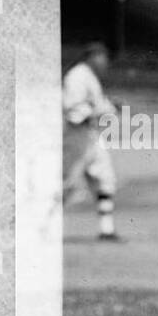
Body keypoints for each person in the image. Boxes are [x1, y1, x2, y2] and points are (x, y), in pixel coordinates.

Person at [62, 41, 120, 241]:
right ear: (91, 56)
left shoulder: (90, 78)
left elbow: (98, 104)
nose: (104, 61)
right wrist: (95, 113)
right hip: (76, 135)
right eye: (101, 56)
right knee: (66, 184)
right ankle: (41, 227)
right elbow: (73, 107)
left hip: (92, 136)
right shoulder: (77, 75)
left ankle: (107, 229)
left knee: (105, 179)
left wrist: (111, 107)